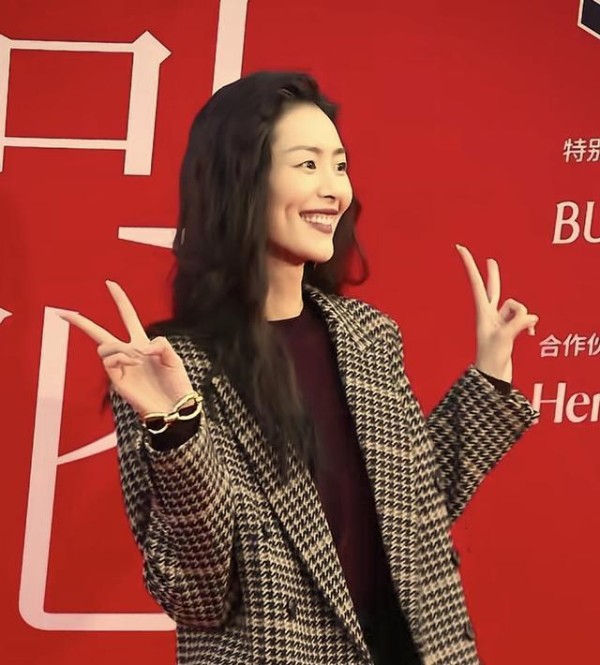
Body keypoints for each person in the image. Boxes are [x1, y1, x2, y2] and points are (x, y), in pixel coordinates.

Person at [60, 71, 539, 665]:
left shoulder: (368, 336)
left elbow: (413, 514)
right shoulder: (169, 371)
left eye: (340, 165)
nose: (334, 189)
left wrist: (488, 380)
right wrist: (178, 432)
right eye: (307, 164)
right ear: (240, 179)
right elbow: (198, 597)